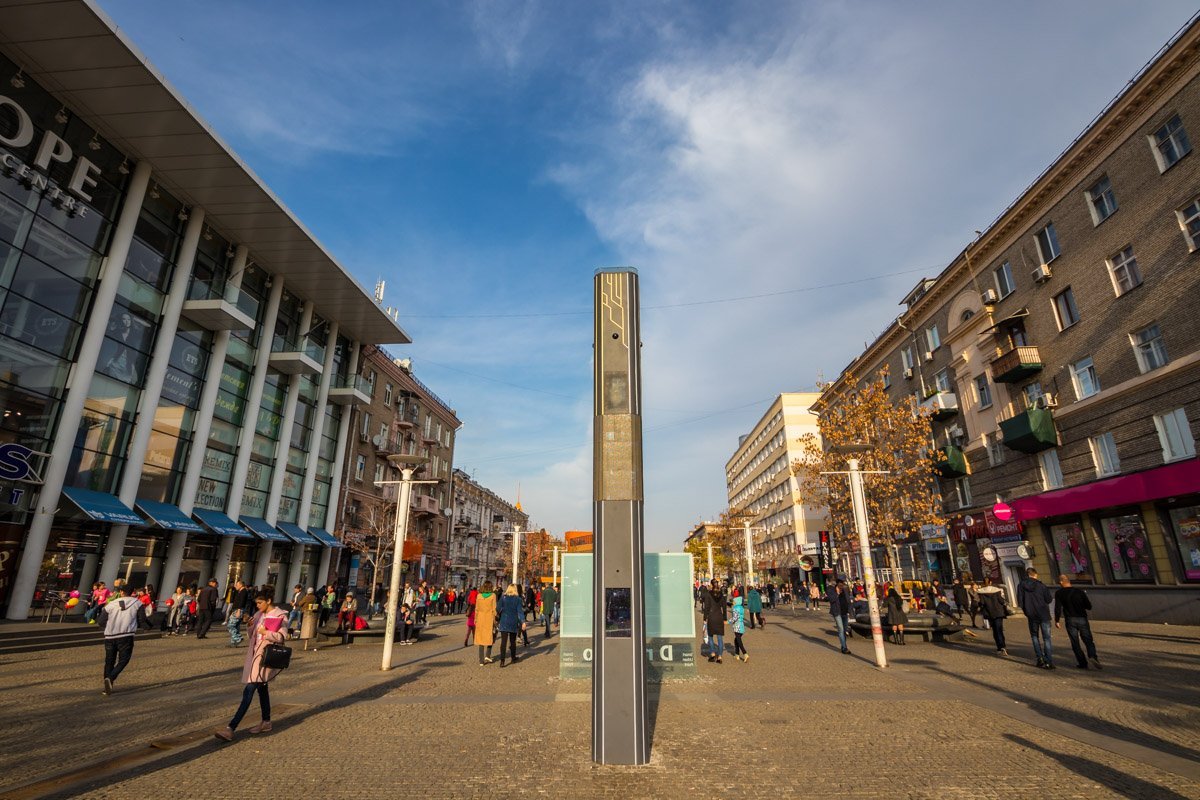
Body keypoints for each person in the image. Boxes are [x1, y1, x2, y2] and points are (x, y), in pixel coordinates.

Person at [214, 591, 288, 741]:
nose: (258, 606)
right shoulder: (258, 615)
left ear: (269, 600)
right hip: (254, 656)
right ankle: (266, 721)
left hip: (265, 659)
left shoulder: (280, 615)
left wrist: (266, 632)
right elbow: (252, 636)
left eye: (260, 603)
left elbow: (282, 637)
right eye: (256, 603)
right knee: (262, 689)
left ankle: (231, 728)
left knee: (249, 691)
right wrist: (250, 626)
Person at [99, 583, 151, 695]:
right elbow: (142, 619)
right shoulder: (137, 603)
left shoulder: (111, 604)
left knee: (109, 661)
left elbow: (101, 621)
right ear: (132, 592)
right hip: (126, 635)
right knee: (124, 659)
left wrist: (109, 625)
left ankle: (107, 686)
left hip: (110, 636)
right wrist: (148, 627)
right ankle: (111, 677)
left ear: (121, 592)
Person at [1054, 575, 1101, 670]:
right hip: (1082, 618)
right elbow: (1089, 606)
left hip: (1070, 619)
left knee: (1075, 642)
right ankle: (1092, 656)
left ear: (1061, 582)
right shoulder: (1079, 592)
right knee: (1088, 640)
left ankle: (1082, 663)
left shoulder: (1059, 593)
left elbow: (1057, 608)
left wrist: (1057, 620)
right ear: (1069, 581)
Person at [1018, 569, 1055, 669]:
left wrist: (1027, 611)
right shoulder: (1041, 585)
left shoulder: (1021, 586)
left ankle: (1040, 659)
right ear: (1035, 575)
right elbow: (1049, 599)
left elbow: (1020, 602)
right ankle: (1048, 661)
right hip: (1043, 614)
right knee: (1046, 638)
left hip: (1031, 615)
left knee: (1035, 636)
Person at [977, 579, 1009, 655]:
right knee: (999, 630)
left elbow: (982, 603)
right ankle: (1003, 647)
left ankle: (999, 648)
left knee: (995, 630)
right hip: (999, 612)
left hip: (989, 613)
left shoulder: (981, 592)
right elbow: (1001, 601)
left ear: (984, 583)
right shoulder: (996, 590)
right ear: (990, 582)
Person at [497, 584, 524, 667]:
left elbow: (497, 608)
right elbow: (520, 611)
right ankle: (513, 658)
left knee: (503, 642)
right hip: (513, 621)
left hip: (504, 621)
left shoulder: (503, 598)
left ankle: (502, 661)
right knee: (512, 641)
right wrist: (523, 621)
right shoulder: (518, 599)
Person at [474, 581, 498, 665]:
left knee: (481, 639)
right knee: (490, 636)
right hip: (489, 618)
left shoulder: (479, 596)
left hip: (480, 618)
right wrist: (495, 619)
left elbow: (476, 609)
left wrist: (475, 619)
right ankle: (488, 655)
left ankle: (481, 661)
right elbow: (494, 609)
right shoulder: (493, 596)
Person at [703, 579, 726, 663]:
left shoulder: (708, 594)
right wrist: (725, 618)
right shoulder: (722, 594)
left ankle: (712, 654)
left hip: (712, 617)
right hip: (719, 616)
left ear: (711, 585)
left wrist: (705, 618)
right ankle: (719, 656)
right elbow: (724, 607)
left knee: (710, 637)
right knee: (720, 638)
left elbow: (707, 607)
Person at [827, 578, 852, 654]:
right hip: (837, 612)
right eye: (840, 584)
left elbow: (848, 600)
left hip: (844, 611)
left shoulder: (845, 590)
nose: (842, 586)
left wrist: (850, 611)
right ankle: (844, 647)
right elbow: (831, 599)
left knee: (844, 630)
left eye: (843, 584)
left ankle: (843, 645)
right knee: (841, 629)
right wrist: (837, 593)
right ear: (837, 584)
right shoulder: (831, 590)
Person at [227, 580, 249, 647]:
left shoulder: (243, 592)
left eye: (237, 585)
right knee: (236, 626)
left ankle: (238, 638)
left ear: (241, 585)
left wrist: (239, 610)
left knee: (231, 625)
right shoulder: (239, 591)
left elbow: (241, 602)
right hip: (236, 610)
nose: (235, 586)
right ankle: (234, 642)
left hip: (238, 610)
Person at [729, 595, 749, 662]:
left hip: (737, 626)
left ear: (737, 602)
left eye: (734, 601)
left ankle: (745, 653)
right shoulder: (741, 608)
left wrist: (728, 622)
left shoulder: (735, 608)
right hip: (741, 626)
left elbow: (735, 618)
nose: (733, 602)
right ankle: (737, 654)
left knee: (739, 641)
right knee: (736, 640)